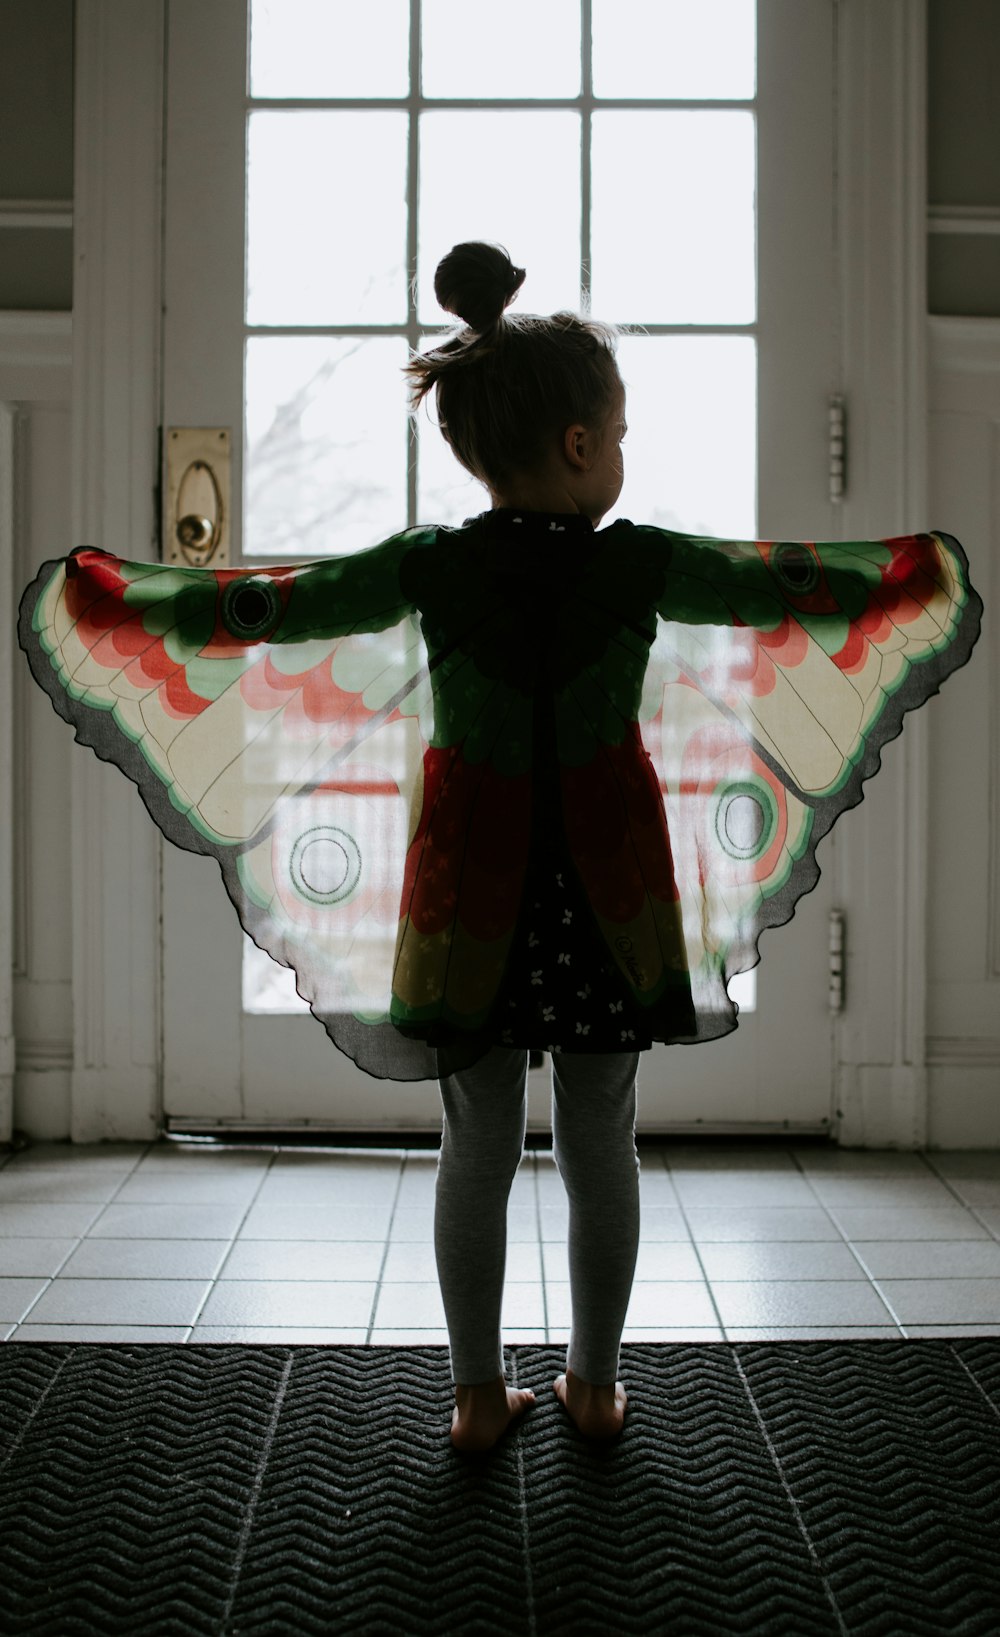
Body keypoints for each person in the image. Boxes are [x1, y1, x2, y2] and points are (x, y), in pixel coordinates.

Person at [18, 242, 982, 1458]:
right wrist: (905, 576)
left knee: (473, 1144)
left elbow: (270, 605)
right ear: (578, 446)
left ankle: (476, 1396)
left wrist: (127, 602)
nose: (622, 454)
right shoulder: (637, 560)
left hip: (468, 900)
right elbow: (784, 589)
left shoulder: (433, 563)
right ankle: (591, 1382)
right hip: (610, 900)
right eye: (618, 432)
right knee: (600, 1139)